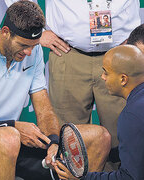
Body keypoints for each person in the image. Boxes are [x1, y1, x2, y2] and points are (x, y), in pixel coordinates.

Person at [0, 1, 111, 179]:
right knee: (8, 138)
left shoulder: (33, 52)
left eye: (34, 45)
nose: (29, 52)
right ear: (5, 32)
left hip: (13, 139)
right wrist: (11, 126)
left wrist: (53, 141)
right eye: (23, 45)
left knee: (99, 136)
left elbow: (44, 109)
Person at [39, 0, 141, 171]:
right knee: (69, 138)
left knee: (124, 135)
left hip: (121, 52)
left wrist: (138, 37)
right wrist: (38, 31)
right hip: (68, 52)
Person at [54, 45, 144, 180]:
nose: (102, 77)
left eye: (106, 72)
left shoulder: (131, 116)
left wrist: (82, 178)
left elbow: (129, 177)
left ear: (123, 79)